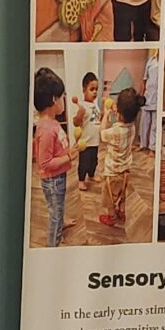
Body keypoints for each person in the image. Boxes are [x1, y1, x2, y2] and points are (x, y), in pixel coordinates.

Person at [32, 66, 72, 246]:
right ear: (54, 99)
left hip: (58, 177)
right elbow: (45, 163)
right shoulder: (46, 129)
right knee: (55, 213)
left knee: (58, 207)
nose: (64, 100)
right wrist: (69, 158)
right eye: (63, 97)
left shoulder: (52, 122)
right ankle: (52, 246)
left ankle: (61, 222)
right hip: (53, 180)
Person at [98, 84, 142, 234]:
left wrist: (106, 114)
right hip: (125, 172)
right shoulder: (132, 127)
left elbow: (103, 133)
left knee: (109, 198)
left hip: (112, 173)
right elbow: (121, 122)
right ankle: (122, 212)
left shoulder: (115, 131)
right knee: (122, 194)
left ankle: (111, 216)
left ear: (120, 113)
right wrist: (116, 111)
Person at [73, 71, 101, 190]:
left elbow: (96, 119)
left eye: (96, 89)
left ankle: (91, 175)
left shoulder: (95, 105)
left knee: (94, 161)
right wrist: (79, 115)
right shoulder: (82, 106)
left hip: (95, 141)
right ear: (84, 90)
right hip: (85, 143)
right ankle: (81, 180)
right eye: (91, 89)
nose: (95, 92)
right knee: (84, 163)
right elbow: (76, 123)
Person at [137, 51, 159, 152]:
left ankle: (152, 148)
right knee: (144, 124)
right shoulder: (151, 61)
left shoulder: (164, 60)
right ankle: (143, 145)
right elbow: (144, 80)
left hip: (157, 99)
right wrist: (141, 95)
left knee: (155, 126)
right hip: (147, 97)